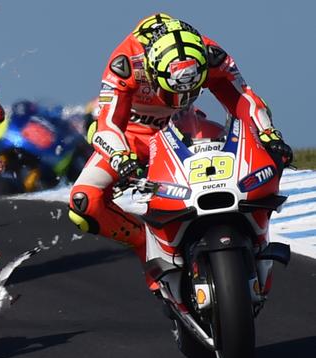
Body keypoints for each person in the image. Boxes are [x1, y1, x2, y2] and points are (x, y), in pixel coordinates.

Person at [68, 14, 293, 288]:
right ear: (152, 69)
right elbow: (106, 124)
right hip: (132, 138)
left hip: (186, 125)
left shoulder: (209, 53)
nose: (180, 97)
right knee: (83, 203)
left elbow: (243, 96)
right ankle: (145, 242)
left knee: (274, 155)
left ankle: (257, 236)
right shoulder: (125, 63)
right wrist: (121, 156)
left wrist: (269, 133)